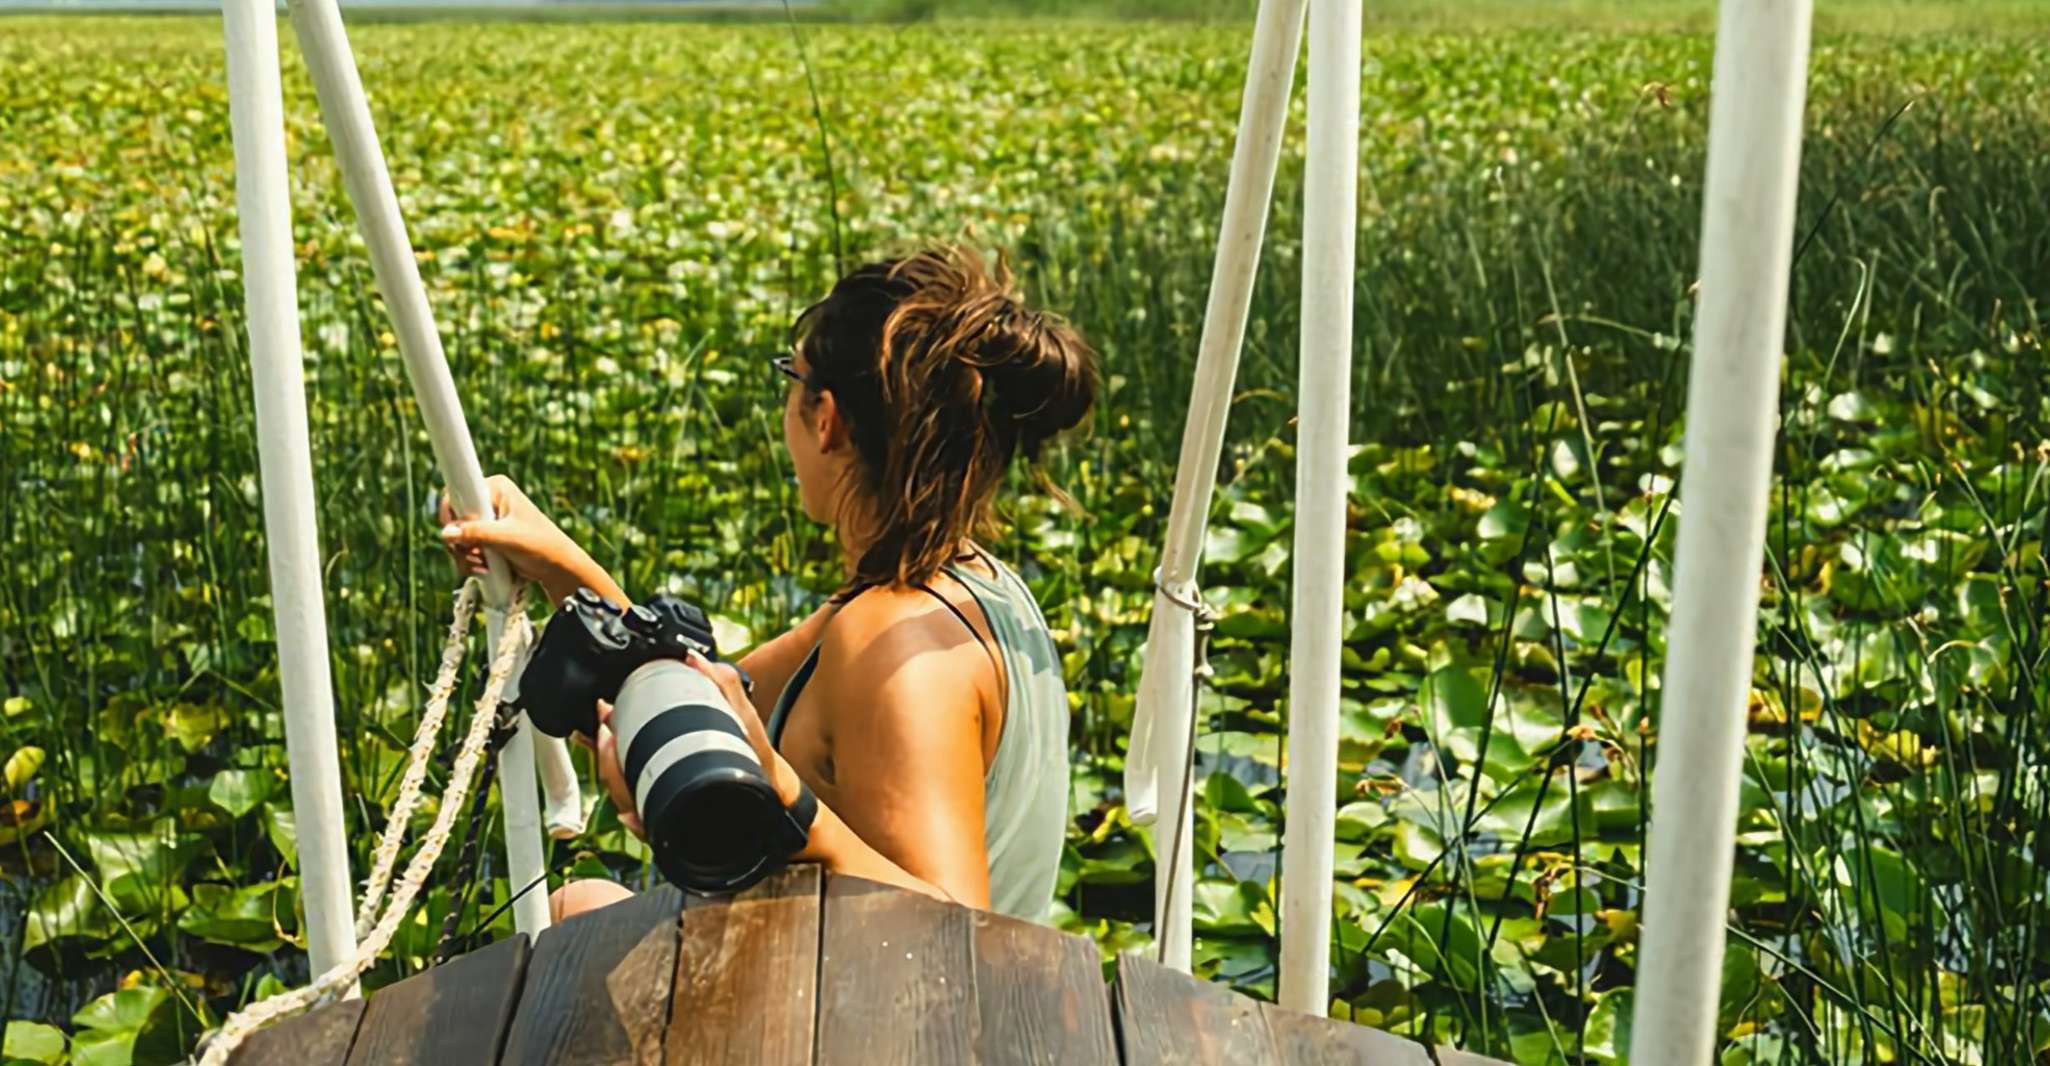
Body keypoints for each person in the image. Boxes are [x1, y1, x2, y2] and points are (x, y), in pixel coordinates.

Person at [438, 245, 1097, 923]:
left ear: (826, 418)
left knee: (576, 913)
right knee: (582, 904)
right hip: (882, 991)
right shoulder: (958, 584)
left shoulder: (891, 649)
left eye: (792, 376)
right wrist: (556, 560)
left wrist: (787, 803)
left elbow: (955, 930)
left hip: (919, 1020)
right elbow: (693, 693)